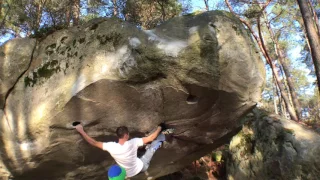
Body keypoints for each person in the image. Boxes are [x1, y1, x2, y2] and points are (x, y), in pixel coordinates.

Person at [75, 123, 169, 178]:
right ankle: (163, 136)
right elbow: (150, 138)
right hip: (142, 166)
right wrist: (160, 127)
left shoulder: (111, 147)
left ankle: (144, 149)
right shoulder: (133, 142)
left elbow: (93, 142)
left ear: (118, 136)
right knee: (153, 147)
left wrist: (81, 130)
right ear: (126, 135)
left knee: (139, 151)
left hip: (127, 173)